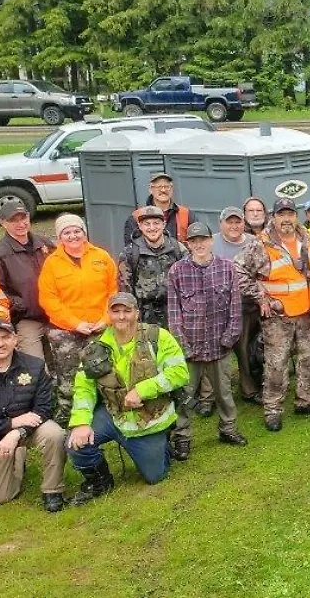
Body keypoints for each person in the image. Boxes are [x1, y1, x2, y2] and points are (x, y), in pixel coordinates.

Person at [66, 293, 191, 504]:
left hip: (149, 420)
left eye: (127, 311)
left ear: (137, 313)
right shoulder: (95, 348)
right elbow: (83, 389)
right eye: (116, 311)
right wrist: (80, 422)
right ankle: (101, 481)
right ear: (108, 315)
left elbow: (180, 372)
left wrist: (144, 390)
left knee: (155, 476)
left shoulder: (157, 336)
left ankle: (162, 446)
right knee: (75, 443)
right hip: (114, 416)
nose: (121, 317)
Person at [236, 198, 310, 431]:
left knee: (309, 359)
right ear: (273, 217)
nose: (286, 219)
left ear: (295, 216)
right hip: (278, 317)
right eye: (281, 214)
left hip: (308, 313)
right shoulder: (261, 244)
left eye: (290, 214)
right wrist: (260, 296)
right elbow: (237, 271)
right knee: (277, 364)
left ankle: (306, 401)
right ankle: (273, 410)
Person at [166, 221, 246, 456]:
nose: (199, 245)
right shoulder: (177, 271)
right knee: (184, 394)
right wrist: (183, 345)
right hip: (190, 348)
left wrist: (230, 338)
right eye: (194, 241)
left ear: (212, 241)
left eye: (203, 240)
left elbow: (235, 307)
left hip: (219, 346)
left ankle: (228, 429)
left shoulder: (227, 268)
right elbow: (173, 313)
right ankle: (182, 437)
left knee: (224, 393)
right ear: (188, 244)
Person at [39, 214, 118, 425]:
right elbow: (48, 299)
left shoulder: (101, 256)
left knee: (104, 369)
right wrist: (75, 323)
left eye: (77, 230)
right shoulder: (52, 264)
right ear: (59, 237)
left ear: (84, 232)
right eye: (67, 232)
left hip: (100, 326)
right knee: (68, 376)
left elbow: (113, 291)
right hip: (66, 331)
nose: (73, 235)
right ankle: (67, 415)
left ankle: (107, 410)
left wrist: (105, 319)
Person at [0, 318, 66, 512]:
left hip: (26, 428)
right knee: (1, 495)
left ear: (15, 339)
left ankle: (52, 491)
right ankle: (18, 456)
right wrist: (9, 424)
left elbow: (44, 408)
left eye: (5, 337)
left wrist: (17, 432)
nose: (0, 343)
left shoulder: (35, 366)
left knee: (55, 434)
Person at [0, 200, 53, 359]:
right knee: (35, 366)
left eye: (23, 218)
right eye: (13, 220)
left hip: (56, 315)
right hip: (27, 319)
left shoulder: (45, 244)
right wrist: (20, 304)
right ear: (2, 223)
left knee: (66, 362)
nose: (20, 224)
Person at [215, 206, 263, 405]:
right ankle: (248, 390)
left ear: (244, 224)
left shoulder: (254, 242)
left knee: (260, 346)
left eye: (238, 222)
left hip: (255, 304)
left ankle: (264, 383)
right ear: (221, 224)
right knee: (241, 350)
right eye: (230, 222)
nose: (234, 226)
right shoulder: (213, 243)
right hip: (229, 308)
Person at [117, 205, 187, 327]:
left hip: (175, 316)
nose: (152, 228)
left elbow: (188, 284)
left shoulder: (178, 249)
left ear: (163, 224)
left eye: (156, 223)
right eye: (147, 224)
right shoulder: (129, 253)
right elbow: (125, 291)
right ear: (140, 226)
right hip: (143, 319)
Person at [122, 172, 191, 245]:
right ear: (151, 190)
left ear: (172, 189)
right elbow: (130, 249)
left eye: (167, 186)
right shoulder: (136, 217)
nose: (163, 190)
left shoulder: (186, 214)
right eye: (159, 187)